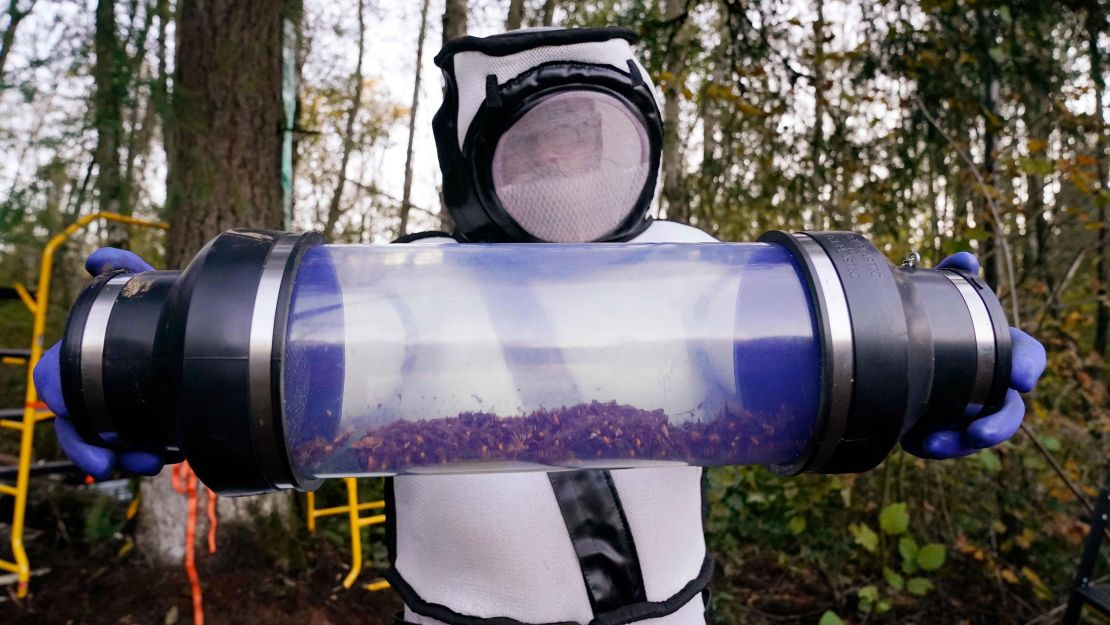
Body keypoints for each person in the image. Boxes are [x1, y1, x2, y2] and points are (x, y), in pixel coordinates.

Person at [35, 27, 1046, 625]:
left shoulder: (709, 275)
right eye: (537, 147)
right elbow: (261, 382)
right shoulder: (388, 294)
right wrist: (159, 366)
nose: (566, 176)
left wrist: (921, 356)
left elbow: (828, 368)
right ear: (475, 158)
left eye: (588, 143)